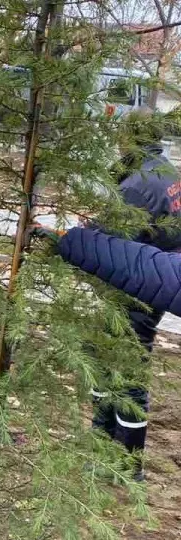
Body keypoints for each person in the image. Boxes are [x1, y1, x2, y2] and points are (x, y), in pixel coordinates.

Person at [61, 117, 181, 480]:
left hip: (135, 290)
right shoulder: (165, 170)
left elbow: (108, 240)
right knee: (114, 362)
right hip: (154, 280)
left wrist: (75, 238)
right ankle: (108, 453)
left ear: (129, 140)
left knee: (125, 370)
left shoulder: (139, 184)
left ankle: (126, 465)